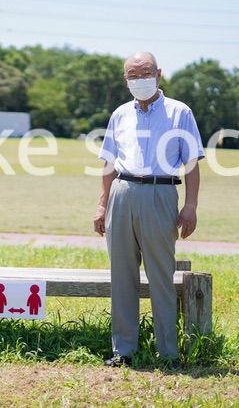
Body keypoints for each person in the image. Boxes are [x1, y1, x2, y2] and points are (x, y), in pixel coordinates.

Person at [93, 51, 204, 367]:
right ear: (125, 80)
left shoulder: (179, 113)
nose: (139, 80)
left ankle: (168, 353)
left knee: (160, 276)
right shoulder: (120, 114)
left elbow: (192, 163)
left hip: (161, 192)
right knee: (122, 276)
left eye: (145, 73)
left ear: (159, 73)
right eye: (132, 75)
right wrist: (102, 205)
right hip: (122, 193)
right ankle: (123, 351)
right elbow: (109, 163)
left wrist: (191, 206)